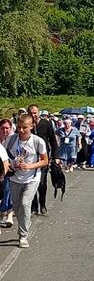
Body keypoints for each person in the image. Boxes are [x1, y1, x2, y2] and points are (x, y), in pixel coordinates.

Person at [4, 113, 48, 248]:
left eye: (24, 127)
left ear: (31, 126)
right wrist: (10, 166)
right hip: (15, 178)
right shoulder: (11, 140)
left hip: (32, 178)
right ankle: (25, 222)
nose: (21, 130)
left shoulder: (37, 141)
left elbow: (45, 161)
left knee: (25, 204)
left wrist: (29, 166)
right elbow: (4, 156)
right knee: (17, 208)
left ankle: (23, 235)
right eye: (19, 127)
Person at [28, 105, 58, 216]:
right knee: (31, 184)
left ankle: (43, 203)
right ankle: (34, 207)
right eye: (31, 113)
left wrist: (56, 156)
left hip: (43, 158)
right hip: (30, 159)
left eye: (35, 113)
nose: (33, 115)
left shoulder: (46, 124)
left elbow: (53, 141)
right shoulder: (26, 125)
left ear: (39, 112)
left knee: (42, 183)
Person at [0, 118, 14, 228]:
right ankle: (3, 213)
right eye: (2, 128)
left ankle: (9, 215)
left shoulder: (14, 139)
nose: (5, 130)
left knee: (8, 192)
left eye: (7, 128)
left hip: (10, 171)